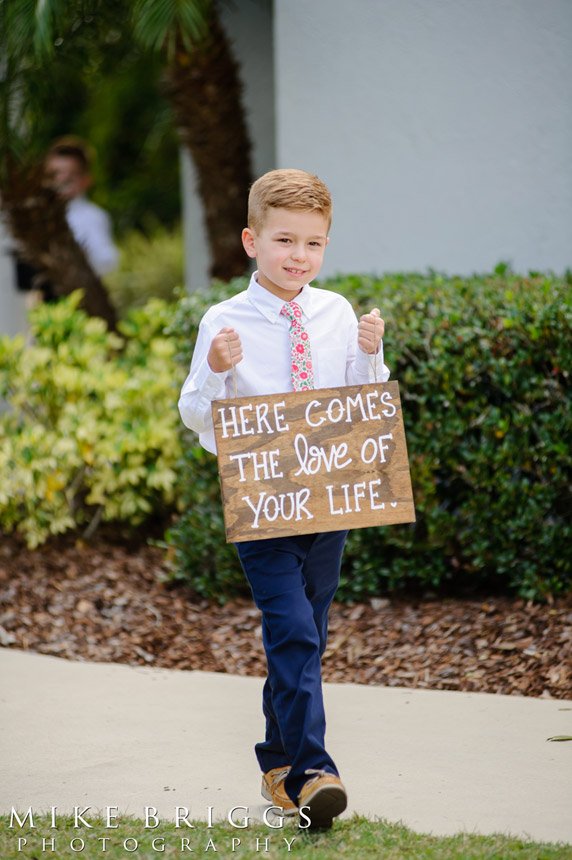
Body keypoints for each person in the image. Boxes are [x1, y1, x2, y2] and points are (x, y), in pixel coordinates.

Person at [178, 168, 389, 829]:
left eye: (314, 244)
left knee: (307, 637)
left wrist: (371, 358)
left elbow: (357, 401)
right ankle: (314, 772)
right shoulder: (224, 320)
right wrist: (216, 370)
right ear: (251, 240)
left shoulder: (335, 312)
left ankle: (275, 756)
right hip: (264, 499)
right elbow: (195, 415)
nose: (299, 257)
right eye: (285, 241)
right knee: (293, 631)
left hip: (329, 499)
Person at [14, 137, 119, 301]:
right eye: (54, 174)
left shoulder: (92, 217)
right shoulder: (34, 216)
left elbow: (108, 262)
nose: (61, 180)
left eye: (70, 176)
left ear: (86, 180)